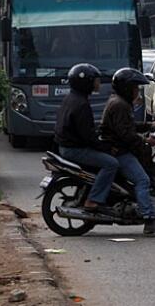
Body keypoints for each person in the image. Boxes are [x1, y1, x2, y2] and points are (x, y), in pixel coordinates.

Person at [100, 68, 155, 234]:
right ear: (126, 88)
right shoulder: (120, 105)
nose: (137, 92)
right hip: (118, 151)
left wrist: (148, 126)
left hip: (118, 148)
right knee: (143, 180)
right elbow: (125, 134)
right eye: (134, 88)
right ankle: (149, 220)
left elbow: (127, 127)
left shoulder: (119, 102)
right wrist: (146, 139)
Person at [54, 63, 119, 212]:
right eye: (95, 80)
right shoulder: (81, 104)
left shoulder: (71, 98)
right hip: (74, 149)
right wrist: (107, 148)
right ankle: (93, 200)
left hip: (66, 146)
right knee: (111, 164)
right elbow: (88, 137)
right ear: (86, 82)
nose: (98, 83)